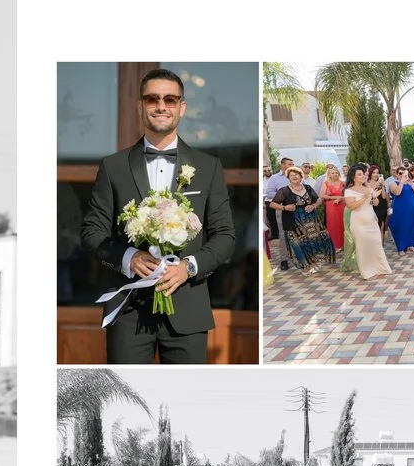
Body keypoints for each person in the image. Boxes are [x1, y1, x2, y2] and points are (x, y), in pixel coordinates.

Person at [77, 68, 235, 364]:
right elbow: (91, 232)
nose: (161, 106)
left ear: (181, 107)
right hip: (128, 312)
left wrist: (188, 267)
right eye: (152, 99)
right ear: (140, 106)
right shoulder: (113, 167)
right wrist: (128, 258)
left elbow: (225, 236)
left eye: (170, 99)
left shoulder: (209, 166)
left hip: (188, 310)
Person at [270, 166, 335, 270]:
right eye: (291, 175)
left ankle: (313, 262)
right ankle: (304, 265)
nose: (294, 177)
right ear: (288, 178)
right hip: (292, 221)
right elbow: (272, 204)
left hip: (310, 220)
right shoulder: (284, 191)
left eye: (297, 175)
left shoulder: (308, 188)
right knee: (298, 244)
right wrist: (284, 207)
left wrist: (313, 206)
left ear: (301, 177)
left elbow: (318, 200)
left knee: (313, 240)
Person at [344, 165, 391, 279]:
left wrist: (374, 197)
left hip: (371, 221)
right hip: (359, 223)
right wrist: (365, 197)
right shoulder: (349, 191)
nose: (363, 176)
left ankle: (381, 268)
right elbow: (351, 206)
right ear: (353, 177)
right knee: (362, 247)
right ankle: (367, 272)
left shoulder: (368, 188)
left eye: (363, 174)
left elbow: (375, 204)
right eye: (359, 174)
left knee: (375, 244)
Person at [390, 164, 414, 252]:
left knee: (413, 225)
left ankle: (411, 244)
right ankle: (401, 247)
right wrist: (401, 182)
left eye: (404, 173)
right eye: (400, 173)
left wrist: (411, 183)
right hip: (401, 208)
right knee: (401, 226)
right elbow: (397, 193)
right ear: (397, 174)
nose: (402, 175)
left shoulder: (410, 182)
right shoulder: (393, 183)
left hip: (412, 208)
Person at [321, 164, 347, 251]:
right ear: (329, 174)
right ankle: (334, 245)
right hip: (331, 207)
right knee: (333, 225)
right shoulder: (326, 183)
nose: (335, 174)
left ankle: (344, 244)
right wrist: (335, 198)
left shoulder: (343, 183)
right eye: (332, 173)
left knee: (343, 224)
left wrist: (341, 198)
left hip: (342, 206)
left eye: (336, 173)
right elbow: (322, 195)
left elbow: (348, 195)